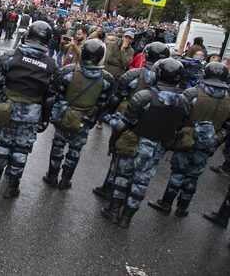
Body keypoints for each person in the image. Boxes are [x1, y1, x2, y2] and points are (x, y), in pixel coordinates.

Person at [102, 58, 189, 227]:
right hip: (156, 150)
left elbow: (122, 124)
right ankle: (127, 218)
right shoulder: (184, 102)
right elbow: (179, 128)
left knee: (122, 178)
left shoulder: (145, 96)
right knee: (141, 183)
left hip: (132, 145)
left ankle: (113, 211)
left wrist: (112, 143)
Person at [0, 21, 57, 197]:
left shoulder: (10, 57)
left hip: (7, 110)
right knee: (21, 150)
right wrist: (45, 119)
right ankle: (12, 187)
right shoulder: (51, 65)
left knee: (3, 145)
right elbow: (50, 97)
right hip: (32, 114)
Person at [148, 62, 230, 217]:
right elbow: (227, 127)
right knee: (193, 176)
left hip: (185, 140)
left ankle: (166, 203)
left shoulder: (193, 93)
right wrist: (215, 139)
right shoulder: (228, 99)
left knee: (178, 173)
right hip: (208, 144)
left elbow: (178, 115)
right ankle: (182, 208)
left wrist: (175, 135)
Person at [93, 42, 170, 199]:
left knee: (119, 154)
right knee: (141, 164)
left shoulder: (133, 75)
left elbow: (117, 97)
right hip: (152, 125)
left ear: (146, 55)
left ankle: (110, 188)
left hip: (127, 120)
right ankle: (123, 193)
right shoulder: (168, 84)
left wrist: (107, 114)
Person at [43, 39, 114, 189]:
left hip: (65, 114)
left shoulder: (68, 70)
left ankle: (52, 176)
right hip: (86, 118)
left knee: (58, 145)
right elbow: (103, 103)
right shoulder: (107, 78)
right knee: (75, 150)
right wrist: (92, 119)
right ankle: (65, 180)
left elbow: (56, 93)